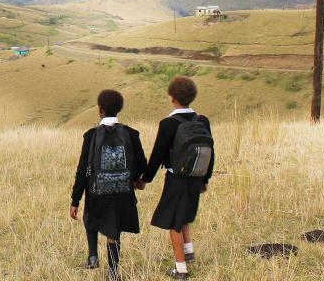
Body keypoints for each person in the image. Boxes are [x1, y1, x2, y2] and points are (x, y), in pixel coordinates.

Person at [137, 76, 215, 280]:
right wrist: (205, 180)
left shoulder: (168, 123)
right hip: (196, 177)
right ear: (192, 97)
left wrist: (145, 179)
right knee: (185, 216)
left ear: (172, 98)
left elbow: (157, 155)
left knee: (174, 223)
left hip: (176, 179)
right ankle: (188, 252)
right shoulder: (202, 120)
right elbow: (210, 152)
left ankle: (180, 269)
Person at [70, 89, 147, 281]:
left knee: (90, 216)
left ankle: (93, 256)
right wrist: (134, 180)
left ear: (100, 110)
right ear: (119, 108)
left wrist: (75, 199)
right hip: (122, 192)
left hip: (97, 192)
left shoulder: (91, 136)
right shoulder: (131, 134)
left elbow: (82, 171)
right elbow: (142, 163)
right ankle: (113, 273)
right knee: (113, 231)